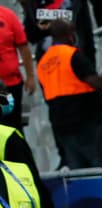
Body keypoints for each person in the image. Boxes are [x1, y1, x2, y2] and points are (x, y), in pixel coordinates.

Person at [36, 20, 102, 170]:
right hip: (87, 123)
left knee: (79, 172)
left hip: (61, 127)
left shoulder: (42, 64)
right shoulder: (72, 55)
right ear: (69, 34)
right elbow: (96, 81)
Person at [0, 1, 36, 131]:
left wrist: (30, 77)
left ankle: (19, 150)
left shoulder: (7, 15)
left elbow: (23, 46)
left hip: (11, 85)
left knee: (14, 126)